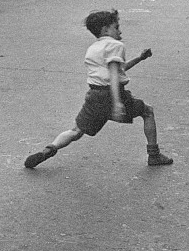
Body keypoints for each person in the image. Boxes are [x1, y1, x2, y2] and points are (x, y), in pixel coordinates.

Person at [23, 9, 174, 169]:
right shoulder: (116, 45)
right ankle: (154, 155)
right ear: (105, 29)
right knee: (147, 111)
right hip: (113, 95)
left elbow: (116, 70)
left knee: (76, 131)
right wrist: (117, 103)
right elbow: (115, 76)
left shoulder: (93, 49)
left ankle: (49, 149)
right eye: (116, 27)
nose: (120, 31)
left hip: (94, 96)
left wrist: (140, 58)